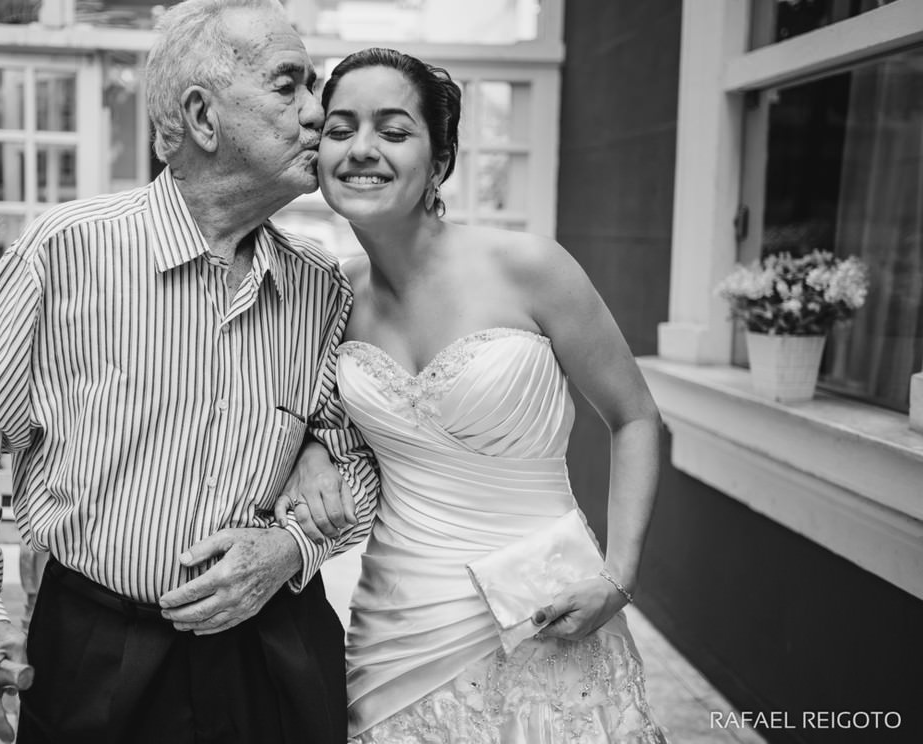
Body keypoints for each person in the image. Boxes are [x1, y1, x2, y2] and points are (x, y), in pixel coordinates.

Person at [0, 0, 379, 744]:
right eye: (291, 84)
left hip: (274, 650)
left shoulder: (322, 287)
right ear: (202, 117)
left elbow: (360, 462)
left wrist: (288, 547)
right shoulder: (65, 250)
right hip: (95, 651)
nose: (318, 112)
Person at [277, 48, 667, 742]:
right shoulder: (328, 295)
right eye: (340, 129)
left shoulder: (530, 268)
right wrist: (311, 447)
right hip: (397, 630)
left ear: (441, 159)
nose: (361, 149)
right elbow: (299, 410)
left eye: (394, 131)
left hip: (547, 613)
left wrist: (620, 576)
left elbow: (635, 417)